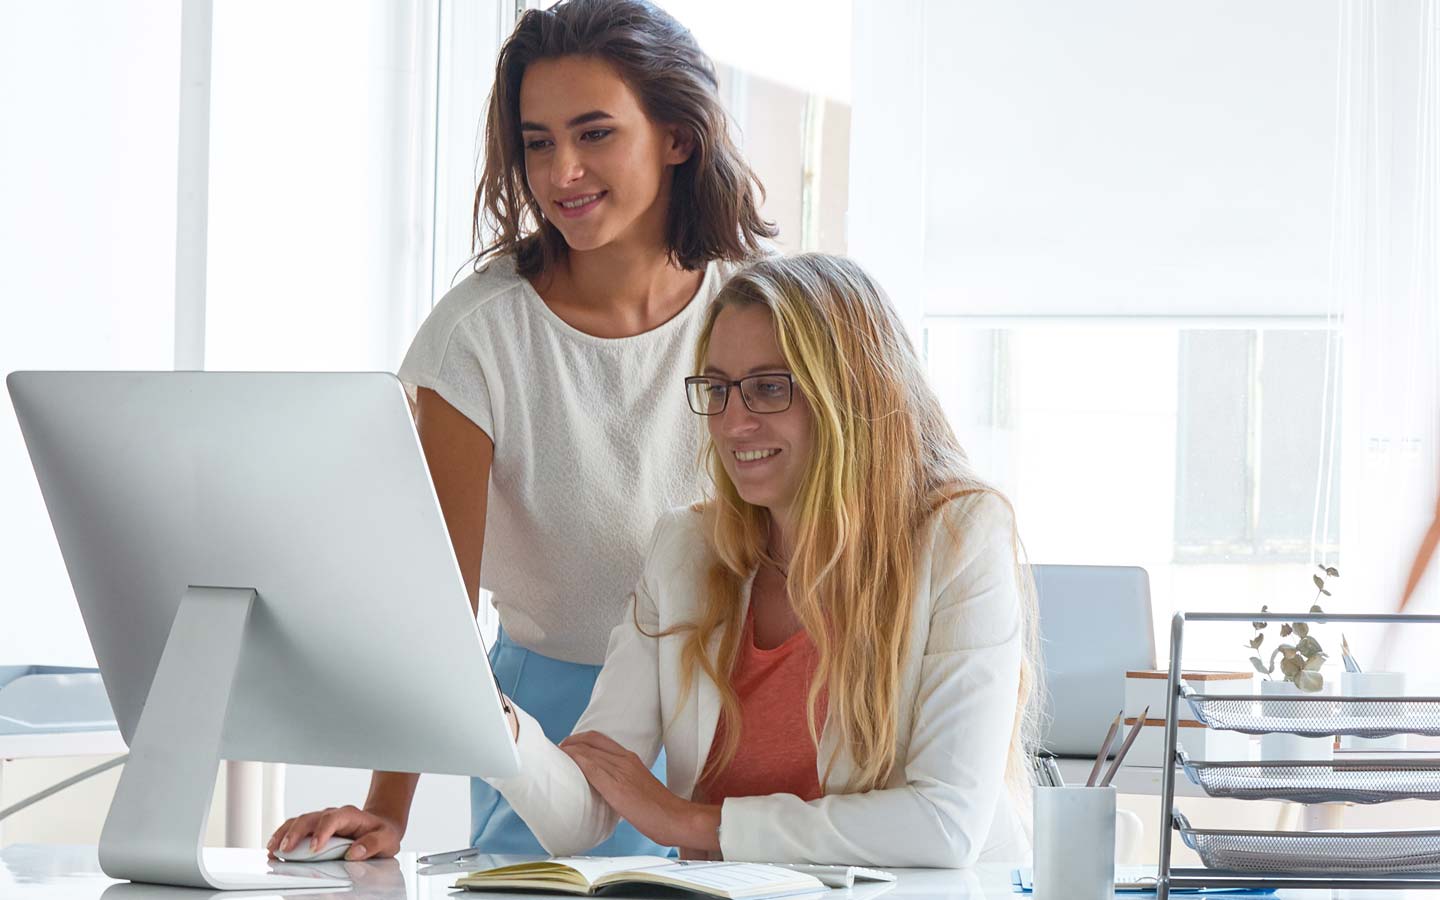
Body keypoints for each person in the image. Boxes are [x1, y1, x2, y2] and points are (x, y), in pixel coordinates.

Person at [268, 0, 773, 861]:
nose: (562, 170)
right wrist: (385, 807)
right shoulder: (479, 335)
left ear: (677, 137)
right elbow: (438, 599)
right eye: (537, 142)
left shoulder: (756, 311)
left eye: (595, 133)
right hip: (548, 721)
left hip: (733, 702)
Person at [481, 254, 1039, 866]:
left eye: (769, 388)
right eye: (717, 389)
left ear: (849, 394)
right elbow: (585, 813)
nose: (732, 422)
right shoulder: (686, 549)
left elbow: (943, 823)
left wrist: (693, 822)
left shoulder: (961, 536)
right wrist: (488, 714)